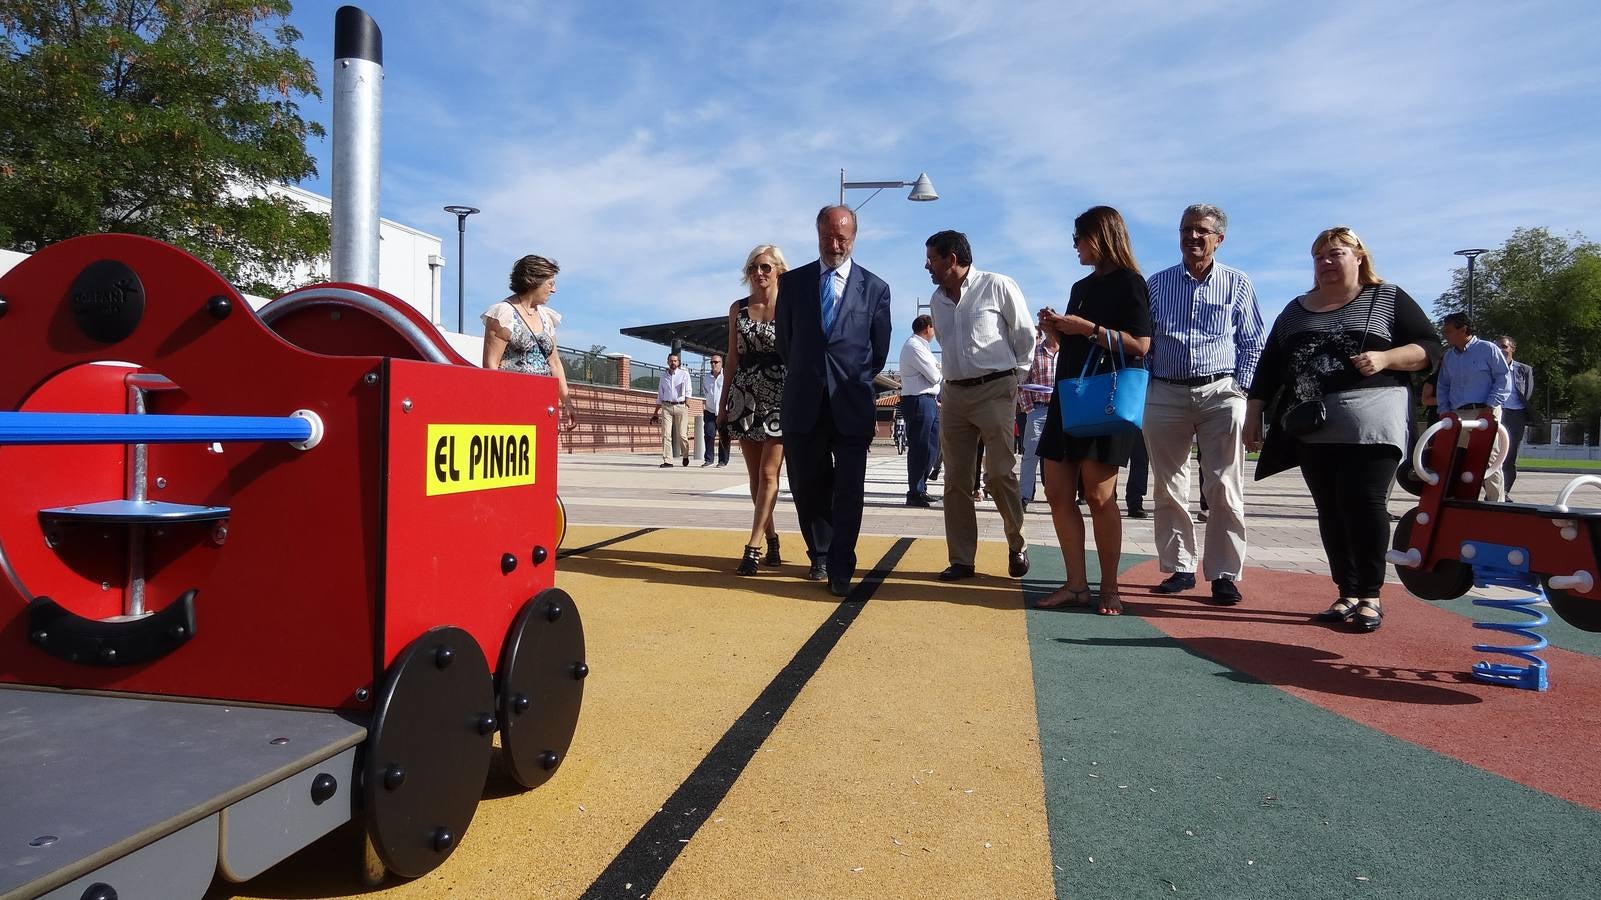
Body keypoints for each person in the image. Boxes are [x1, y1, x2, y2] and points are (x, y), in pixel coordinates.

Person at [1245, 226, 1441, 633]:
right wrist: (1254, 412)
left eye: (1335, 254)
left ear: (1359, 257)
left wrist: (1387, 358)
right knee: (1331, 507)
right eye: (1319, 256)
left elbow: (1428, 347)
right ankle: (1346, 591)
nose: (1326, 262)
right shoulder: (1296, 309)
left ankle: (1370, 595)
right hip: (1313, 423)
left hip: (1373, 421)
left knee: (1365, 502)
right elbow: (1269, 366)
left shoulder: (1386, 297)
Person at [1143, 204, 1266, 605]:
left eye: (1201, 230)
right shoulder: (1156, 284)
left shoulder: (1238, 283)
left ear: (1219, 239)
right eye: (1186, 229)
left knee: (1225, 485)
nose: (1192, 236)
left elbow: (1252, 342)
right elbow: (1145, 342)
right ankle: (1180, 567)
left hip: (1220, 393)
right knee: (1168, 485)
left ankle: (1224, 573)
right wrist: (1148, 389)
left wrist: (1241, 392)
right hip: (1165, 392)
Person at [1034, 206, 1153, 615]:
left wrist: (1085, 327)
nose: (1074, 245)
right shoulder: (1080, 287)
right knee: (1056, 493)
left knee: (1101, 496)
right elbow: (1073, 349)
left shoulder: (1131, 283)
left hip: (1107, 398)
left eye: (1079, 237)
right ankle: (1076, 584)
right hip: (1070, 396)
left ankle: (1110, 587)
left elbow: (1140, 345)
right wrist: (1056, 330)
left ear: (1101, 236)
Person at [775, 206, 892, 598]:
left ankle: (841, 565)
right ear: (818, 233)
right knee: (808, 484)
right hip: (804, 400)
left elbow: (878, 353)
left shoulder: (875, 288)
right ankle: (820, 552)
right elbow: (785, 343)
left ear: (854, 237)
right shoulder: (792, 284)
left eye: (842, 237)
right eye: (828, 236)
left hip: (851, 401)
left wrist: (847, 375)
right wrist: (810, 372)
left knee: (848, 489)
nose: (835, 243)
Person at [925, 230, 1036, 581]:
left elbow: (1024, 334)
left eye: (932, 259)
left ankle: (1017, 544)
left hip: (995, 389)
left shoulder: (998, 285)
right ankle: (961, 559)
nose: (927, 266)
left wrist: (1014, 380)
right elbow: (945, 341)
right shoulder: (937, 300)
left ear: (952, 259)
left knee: (999, 473)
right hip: (955, 394)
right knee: (955, 480)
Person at [720, 244, 791, 575]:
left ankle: (753, 547)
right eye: (753, 268)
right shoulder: (738, 309)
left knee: (768, 474)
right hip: (744, 396)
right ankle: (772, 535)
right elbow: (732, 359)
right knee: (753, 477)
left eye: (765, 267)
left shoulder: (790, 306)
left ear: (778, 269)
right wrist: (722, 405)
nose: (759, 273)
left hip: (781, 395)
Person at [482, 254, 578, 430]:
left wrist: (567, 403)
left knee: (543, 455)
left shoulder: (546, 317)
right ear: (533, 281)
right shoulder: (503, 314)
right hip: (512, 404)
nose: (554, 290)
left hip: (543, 404)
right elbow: (491, 364)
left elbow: (554, 362)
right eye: (550, 284)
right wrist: (497, 406)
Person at [1437, 313, 1510, 501]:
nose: (1445, 334)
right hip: (1458, 413)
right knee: (1459, 458)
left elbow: (1503, 377)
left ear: (1463, 330)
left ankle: (1497, 504)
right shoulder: (1449, 357)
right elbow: (1443, 385)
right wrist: (1445, 412)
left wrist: (1491, 404)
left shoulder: (1488, 349)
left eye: (1449, 331)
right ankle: (1464, 501)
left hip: (1485, 410)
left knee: (1490, 458)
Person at [898, 314, 941, 507]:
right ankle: (915, 491)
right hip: (918, 400)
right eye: (934, 327)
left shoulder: (923, 348)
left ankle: (921, 487)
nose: (935, 331)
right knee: (919, 447)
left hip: (928, 400)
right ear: (927, 328)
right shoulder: (914, 346)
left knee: (932, 446)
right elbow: (935, 375)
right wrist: (938, 369)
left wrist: (937, 369)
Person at [1018, 330, 1058, 512]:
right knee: (1030, 456)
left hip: (1061, 412)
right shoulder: (1034, 353)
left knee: (1060, 458)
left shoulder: (1066, 354)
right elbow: (1024, 382)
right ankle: (1023, 497)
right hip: (1038, 410)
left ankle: (1059, 497)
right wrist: (1029, 410)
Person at [1497, 335, 1535, 498]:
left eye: (1504, 346)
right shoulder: (1491, 368)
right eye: (1497, 347)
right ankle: (1493, 490)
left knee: (1510, 455)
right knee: (1491, 454)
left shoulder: (1525, 370)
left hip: (1516, 415)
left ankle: (1504, 492)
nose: (1501, 350)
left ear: (1512, 348)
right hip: (1497, 413)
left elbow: (1528, 393)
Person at [654, 353, 692, 468]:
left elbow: (688, 390)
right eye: (671, 361)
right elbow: (660, 394)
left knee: (682, 435)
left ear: (678, 362)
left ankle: (685, 455)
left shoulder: (684, 374)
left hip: (681, 406)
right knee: (666, 434)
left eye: (675, 361)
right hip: (667, 406)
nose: (673, 363)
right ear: (667, 362)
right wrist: (656, 411)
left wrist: (687, 404)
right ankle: (668, 460)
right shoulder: (663, 376)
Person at [700, 355, 730, 468]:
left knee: (724, 436)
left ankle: (723, 461)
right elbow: (705, 391)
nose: (714, 364)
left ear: (721, 363)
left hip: (724, 411)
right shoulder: (706, 377)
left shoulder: (726, 376)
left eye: (716, 362)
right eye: (712, 362)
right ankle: (708, 459)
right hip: (710, 410)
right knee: (709, 434)